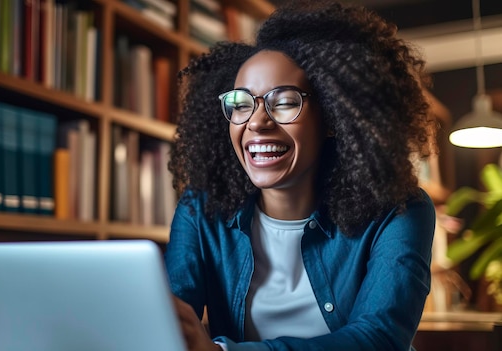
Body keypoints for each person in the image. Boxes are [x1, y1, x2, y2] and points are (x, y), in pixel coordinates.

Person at [164, 0, 437, 350]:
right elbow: (173, 316)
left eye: (284, 101)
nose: (257, 122)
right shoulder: (202, 209)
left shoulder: (399, 211)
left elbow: (379, 337)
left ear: (332, 118)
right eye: (241, 103)